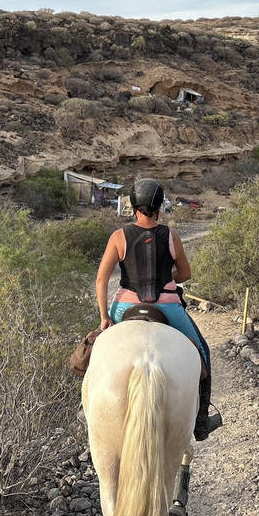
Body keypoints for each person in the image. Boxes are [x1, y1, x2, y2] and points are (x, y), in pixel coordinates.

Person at [95, 178, 223, 441]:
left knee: (94, 352)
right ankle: (200, 422)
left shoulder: (118, 237)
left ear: (133, 206)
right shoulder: (172, 236)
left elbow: (101, 279)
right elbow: (185, 273)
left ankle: (88, 407)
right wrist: (166, 277)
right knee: (202, 351)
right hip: (168, 307)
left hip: (126, 306)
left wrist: (104, 317)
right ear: (159, 207)